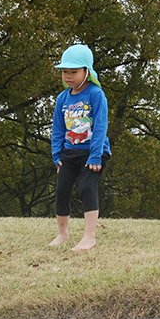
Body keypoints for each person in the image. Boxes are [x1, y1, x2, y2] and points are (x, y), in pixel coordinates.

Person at [49, 43, 111, 251]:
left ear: (86, 71)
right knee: (62, 190)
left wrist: (95, 156)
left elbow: (100, 126)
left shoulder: (96, 94)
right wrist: (57, 155)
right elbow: (58, 128)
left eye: (73, 72)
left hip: (93, 153)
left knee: (86, 188)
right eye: (65, 72)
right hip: (69, 152)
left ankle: (89, 237)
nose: (68, 76)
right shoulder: (62, 98)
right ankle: (62, 233)